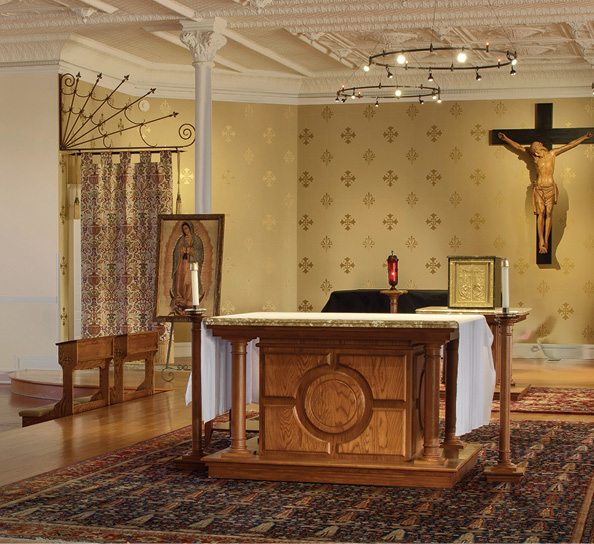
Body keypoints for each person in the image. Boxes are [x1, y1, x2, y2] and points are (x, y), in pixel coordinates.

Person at [498, 130, 594, 254]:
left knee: (548, 213)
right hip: (539, 188)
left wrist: (584, 137)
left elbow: (570, 145)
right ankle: (541, 241)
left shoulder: (552, 154)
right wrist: (505, 139)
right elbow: (518, 147)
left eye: (539, 144)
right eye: (538, 145)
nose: (541, 144)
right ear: (536, 150)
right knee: (541, 213)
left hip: (550, 188)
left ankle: (546, 243)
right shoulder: (534, 157)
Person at [170, 221, 204, 315]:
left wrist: (190, 250)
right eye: (184, 229)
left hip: (191, 264)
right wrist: (181, 250)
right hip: (182, 263)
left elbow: (200, 253)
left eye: (187, 228)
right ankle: (180, 298)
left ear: (190, 228)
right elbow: (176, 252)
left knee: (188, 281)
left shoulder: (196, 239)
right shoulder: (181, 240)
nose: (185, 231)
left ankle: (189, 299)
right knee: (180, 281)